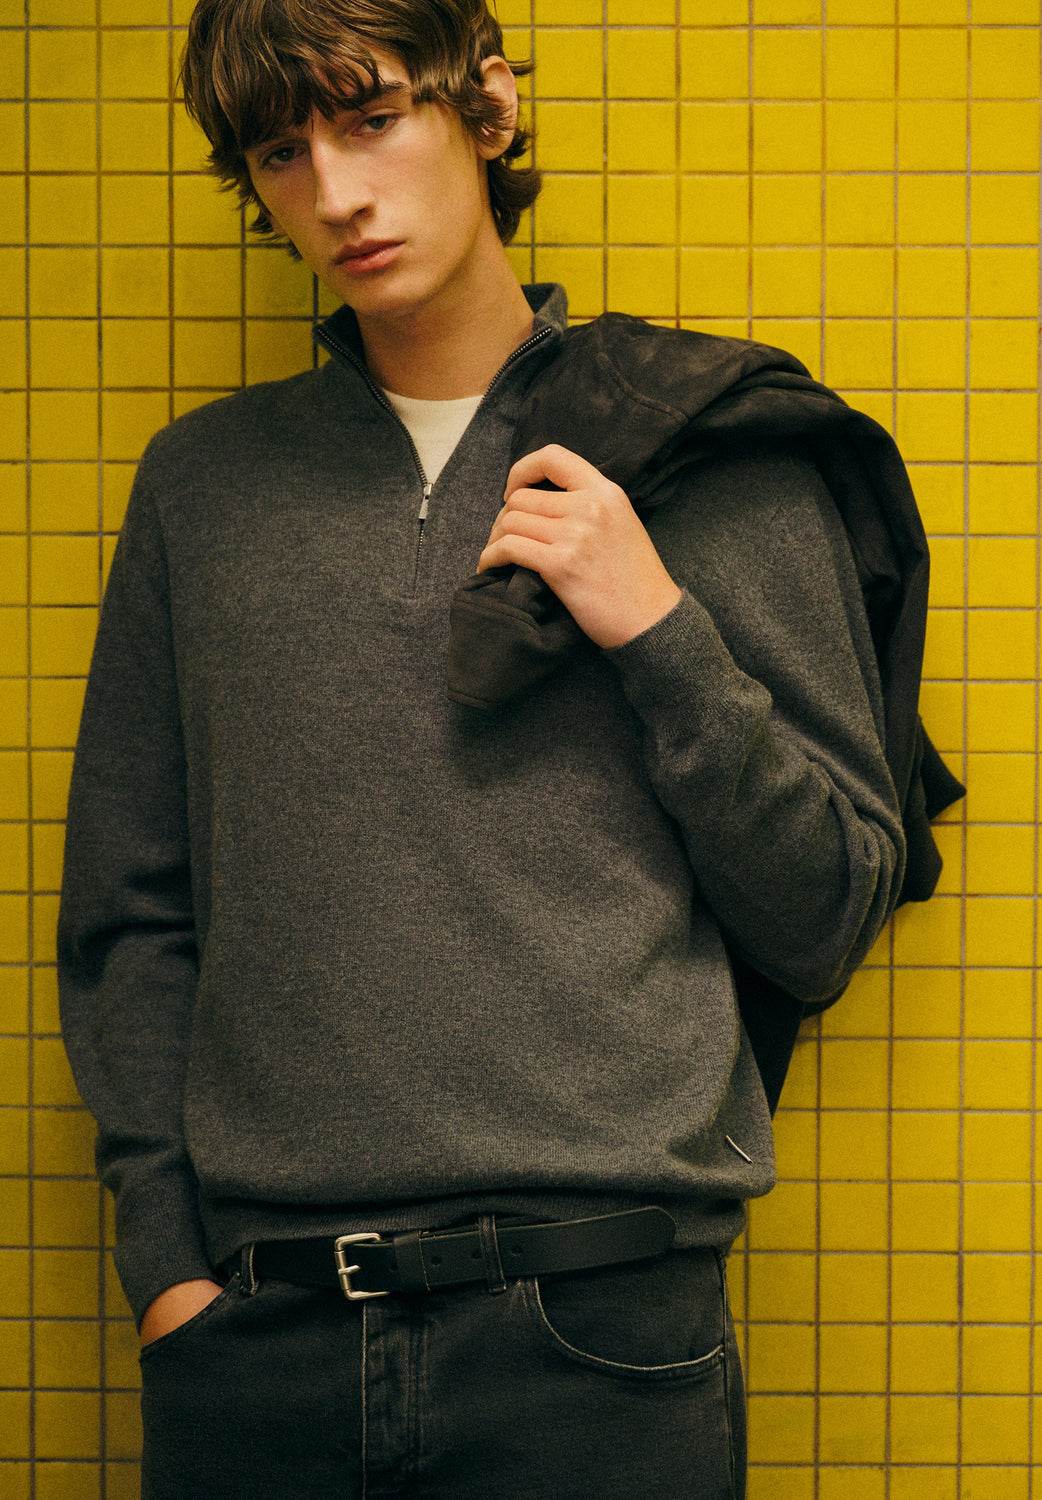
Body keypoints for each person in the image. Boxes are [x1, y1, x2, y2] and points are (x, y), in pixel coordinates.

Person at [57, 1, 909, 1495]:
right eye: (281, 152)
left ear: (490, 109)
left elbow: (825, 911)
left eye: (372, 118)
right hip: (259, 1336)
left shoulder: (709, 453)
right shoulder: (204, 487)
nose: (335, 193)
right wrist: (167, 1269)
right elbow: (131, 912)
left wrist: (656, 626)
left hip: (602, 1333)